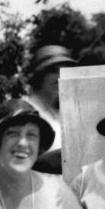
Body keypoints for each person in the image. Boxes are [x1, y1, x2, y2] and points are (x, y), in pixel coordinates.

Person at [23, 45, 76, 174]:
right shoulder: (23, 111)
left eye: (65, 71)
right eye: (54, 70)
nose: (60, 76)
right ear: (39, 75)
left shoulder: (67, 115)